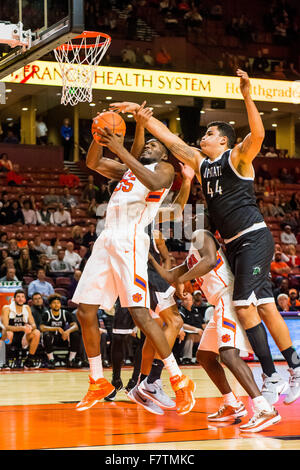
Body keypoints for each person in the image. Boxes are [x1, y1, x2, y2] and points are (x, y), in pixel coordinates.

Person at [111, 70, 300, 406]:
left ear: (223, 140)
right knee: (265, 305)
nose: (204, 136)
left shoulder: (237, 158)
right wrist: (143, 117)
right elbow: (171, 141)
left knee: (243, 305)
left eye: (210, 133)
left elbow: (257, 133)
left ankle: (273, 375)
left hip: (253, 237)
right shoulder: (201, 163)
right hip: (235, 244)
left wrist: (247, 95)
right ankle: (291, 368)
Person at [72, 106, 195, 415]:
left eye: (154, 145)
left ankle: (179, 381)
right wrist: (100, 136)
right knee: (85, 310)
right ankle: (97, 380)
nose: (148, 147)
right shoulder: (129, 168)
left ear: (164, 154)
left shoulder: (165, 170)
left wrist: (121, 147)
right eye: (147, 144)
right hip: (107, 238)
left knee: (140, 314)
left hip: (131, 241)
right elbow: (92, 162)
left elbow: (152, 182)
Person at [149, 226, 282, 432]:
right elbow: (169, 275)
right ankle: (232, 403)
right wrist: (148, 256)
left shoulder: (201, 234)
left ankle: (265, 409)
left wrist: (183, 280)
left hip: (227, 297)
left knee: (229, 355)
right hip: (218, 302)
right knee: (204, 356)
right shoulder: (192, 254)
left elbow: (210, 261)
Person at [40, 294, 81, 368]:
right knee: (47, 335)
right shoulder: (47, 314)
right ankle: (51, 360)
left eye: (58, 303)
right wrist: (56, 328)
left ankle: (71, 360)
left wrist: (67, 331)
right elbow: (42, 327)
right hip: (51, 338)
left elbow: (75, 326)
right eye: (54, 303)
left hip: (63, 337)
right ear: (50, 305)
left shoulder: (65, 313)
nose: (56, 305)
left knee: (75, 334)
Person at [2, 290, 41, 369]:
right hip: (7, 338)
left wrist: (30, 327)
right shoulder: (7, 308)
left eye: (22, 297)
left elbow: (34, 325)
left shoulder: (27, 308)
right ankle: (5, 361)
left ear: (25, 299)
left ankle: (29, 360)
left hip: (23, 337)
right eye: (18, 297)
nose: (20, 299)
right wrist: (22, 328)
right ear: (14, 299)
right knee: (9, 333)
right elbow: (5, 326)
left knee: (36, 332)